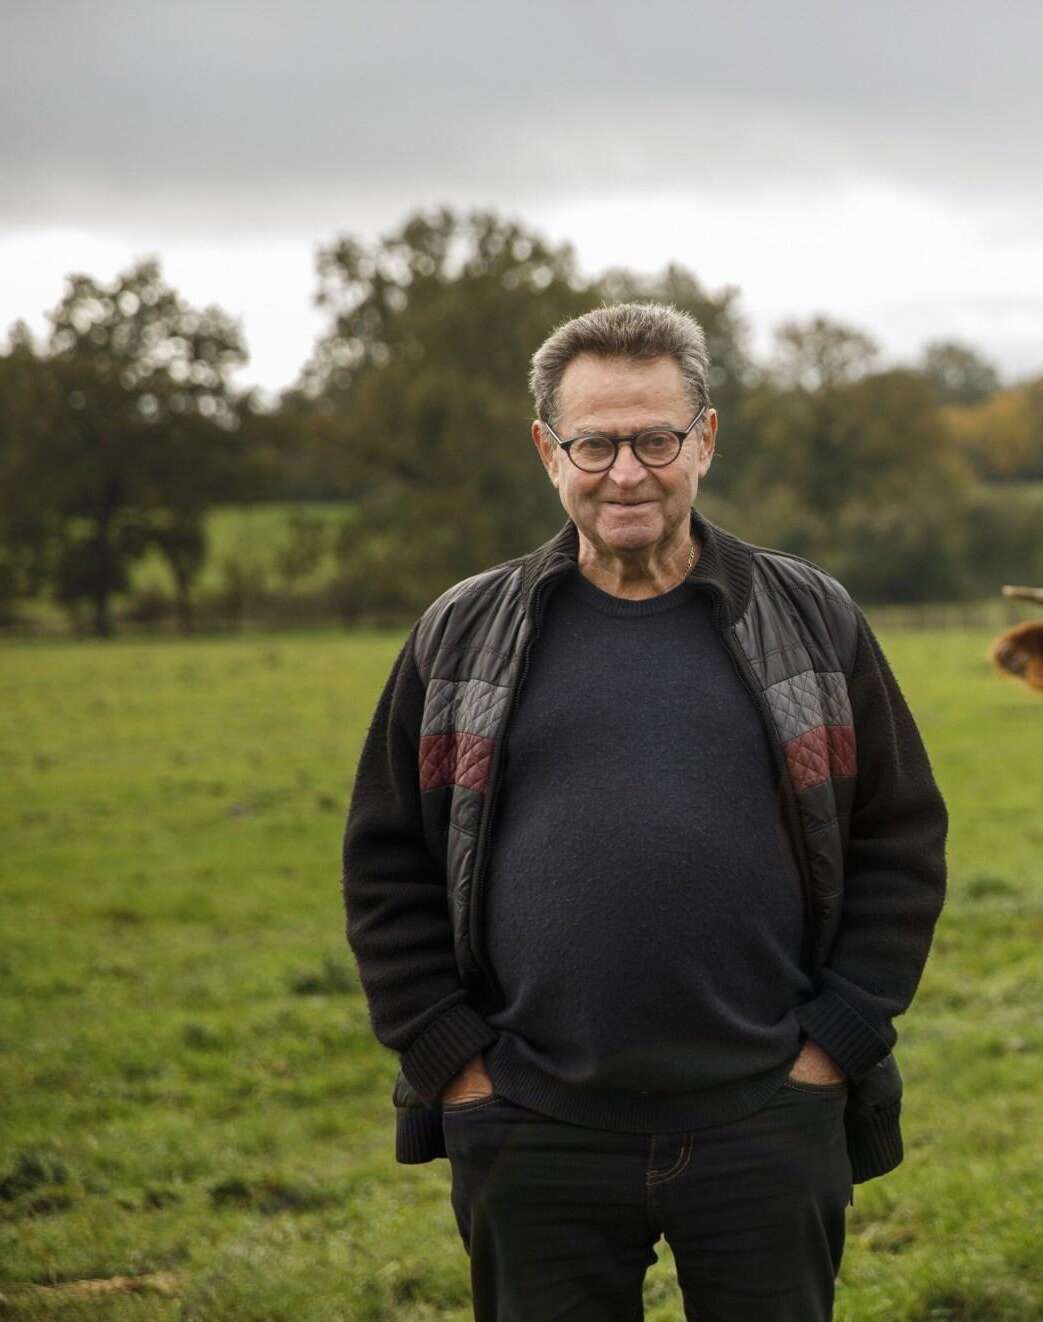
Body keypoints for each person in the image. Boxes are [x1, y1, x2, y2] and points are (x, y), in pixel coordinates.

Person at [341, 302, 947, 1320]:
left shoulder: (810, 618)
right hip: (533, 1122)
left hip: (766, 1112)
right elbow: (388, 863)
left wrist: (830, 1046)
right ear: (548, 450)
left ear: (703, 439)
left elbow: (898, 842)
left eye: (655, 439)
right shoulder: (460, 634)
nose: (627, 471)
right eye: (595, 443)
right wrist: (456, 1066)